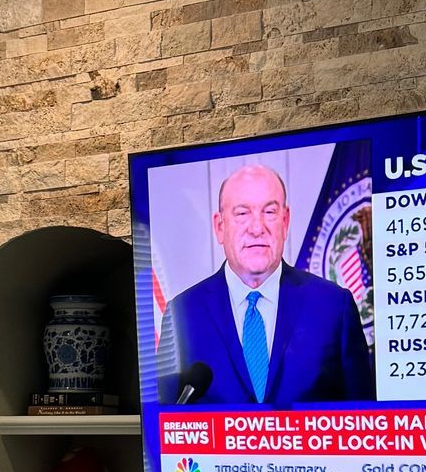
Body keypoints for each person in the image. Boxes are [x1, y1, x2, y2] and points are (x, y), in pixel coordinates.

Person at [158, 161, 375, 405]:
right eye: (242, 213)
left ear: (285, 221)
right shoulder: (182, 314)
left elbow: (364, 422)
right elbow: (163, 427)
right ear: (220, 227)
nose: (257, 228)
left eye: (269, 212)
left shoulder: (334, 307)